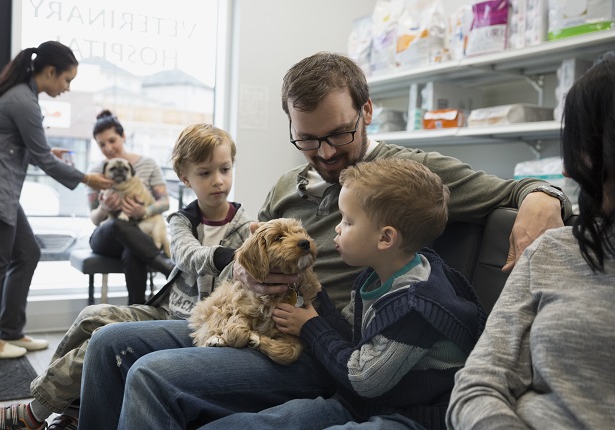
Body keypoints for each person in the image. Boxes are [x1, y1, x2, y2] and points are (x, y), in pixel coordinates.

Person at [76, 52, 574, 429]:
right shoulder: (286, 186)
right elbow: (243, 257)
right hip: (247, 315)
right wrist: (243, 271)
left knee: (151, 375)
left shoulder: (407, 175)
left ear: (367, 111)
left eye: (338, 134)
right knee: (108, 344)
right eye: (308, 140)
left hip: (320, 346)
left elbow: (520, 189)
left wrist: (542, 198)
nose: (327, 152)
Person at [0, 123, 253, 430]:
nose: (218, 180)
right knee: (91, 316)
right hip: (167, 309)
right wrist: (226, 256)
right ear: (185, 178)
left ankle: (33, 415)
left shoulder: (246, 226)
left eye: (225, 169)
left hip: (198, 323)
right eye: (205, 173)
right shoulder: (181, 220)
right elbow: (185, 255)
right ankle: (71, 411)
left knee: (101, 341)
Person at [193, 158, 486, 430]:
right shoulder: (374, 277)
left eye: (347, 221)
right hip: (360, 399)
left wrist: (310, 326)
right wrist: (310, 296)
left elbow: (364, 378)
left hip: (409, 415)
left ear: (385, 238)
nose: (337, 227)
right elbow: (349, 337)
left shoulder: (415, 307)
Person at [446, 53, 615, 430]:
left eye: (584, 147)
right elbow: (477, 384)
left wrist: (540, 192)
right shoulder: (555, 250)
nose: (572, 168)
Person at [0, 40, 112, 360]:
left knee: (27, 252)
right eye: (66, 80)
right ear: (50, 72)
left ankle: (11, 331)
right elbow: (42, 159)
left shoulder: (23, 96)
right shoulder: (23, 101)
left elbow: (25, 148)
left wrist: (48, 152)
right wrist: (87, 178)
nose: (67, 88)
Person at [85, 109, 175, 305]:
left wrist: (145, 211)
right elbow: (93, 218)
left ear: (123, 136)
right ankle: (167, 266)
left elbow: (165, 202)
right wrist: (104, 209)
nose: (108, 148)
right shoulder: (94, 173)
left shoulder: (148, 164)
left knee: (133, 251)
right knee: (117, 224)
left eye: (112, 140)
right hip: (106, 238)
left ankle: (137, 308)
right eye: (102, 144)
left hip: (138, 239)